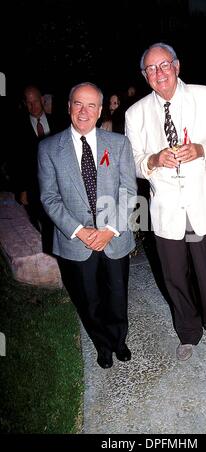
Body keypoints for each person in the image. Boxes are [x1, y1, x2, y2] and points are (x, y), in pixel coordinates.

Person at [125, 43, 206, 361]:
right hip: (165, 212)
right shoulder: (135, 113)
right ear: (145, 75)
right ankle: (188, 332)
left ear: (177, 66)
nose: (159, 73)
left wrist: (202, 149)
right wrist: (154, 159)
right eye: (151, 69)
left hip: (203, 205)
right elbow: (131, 161)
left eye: (164, 65)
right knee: (174, 276)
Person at [38, 82, 137, 369]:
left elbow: (129, 192)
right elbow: (49, 197)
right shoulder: (48, 149)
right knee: (90, 301)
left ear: (100, 110)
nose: (84, 111)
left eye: (91, 105)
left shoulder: (118, 144)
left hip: (114, 237)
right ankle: (102, 345)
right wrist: (81, 232)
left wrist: (109, 231)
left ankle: (119, 341)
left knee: (117, 296)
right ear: (68, 107)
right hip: (75, 241)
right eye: (78, 104)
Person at [14, 85, 58, 253]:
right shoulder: (18, 128)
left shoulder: (58, 122)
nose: (33, 106)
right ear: (25, 104)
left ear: (42, 100)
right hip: (33, 187)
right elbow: (17, 162)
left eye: (36, 101)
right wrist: (22, 189)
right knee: (41, 221)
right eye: (29, 103)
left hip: (57, 184)